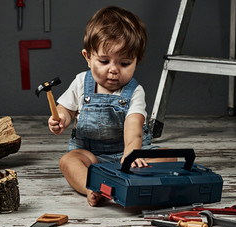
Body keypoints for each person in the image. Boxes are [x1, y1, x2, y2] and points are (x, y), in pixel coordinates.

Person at [48, 6, 176, 207]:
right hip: (92, 156)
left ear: (136, 61)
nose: (114, 70)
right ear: (88, 57)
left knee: (169, 156)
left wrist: (131, 155)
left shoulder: (135, 91)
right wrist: (61, 118)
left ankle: (132, 180)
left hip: (130, 153)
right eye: (104, 61)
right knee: (68, 161)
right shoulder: (81, 83)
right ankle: (92, 187)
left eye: (125, 63)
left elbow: (134, 127)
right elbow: (66, 108)